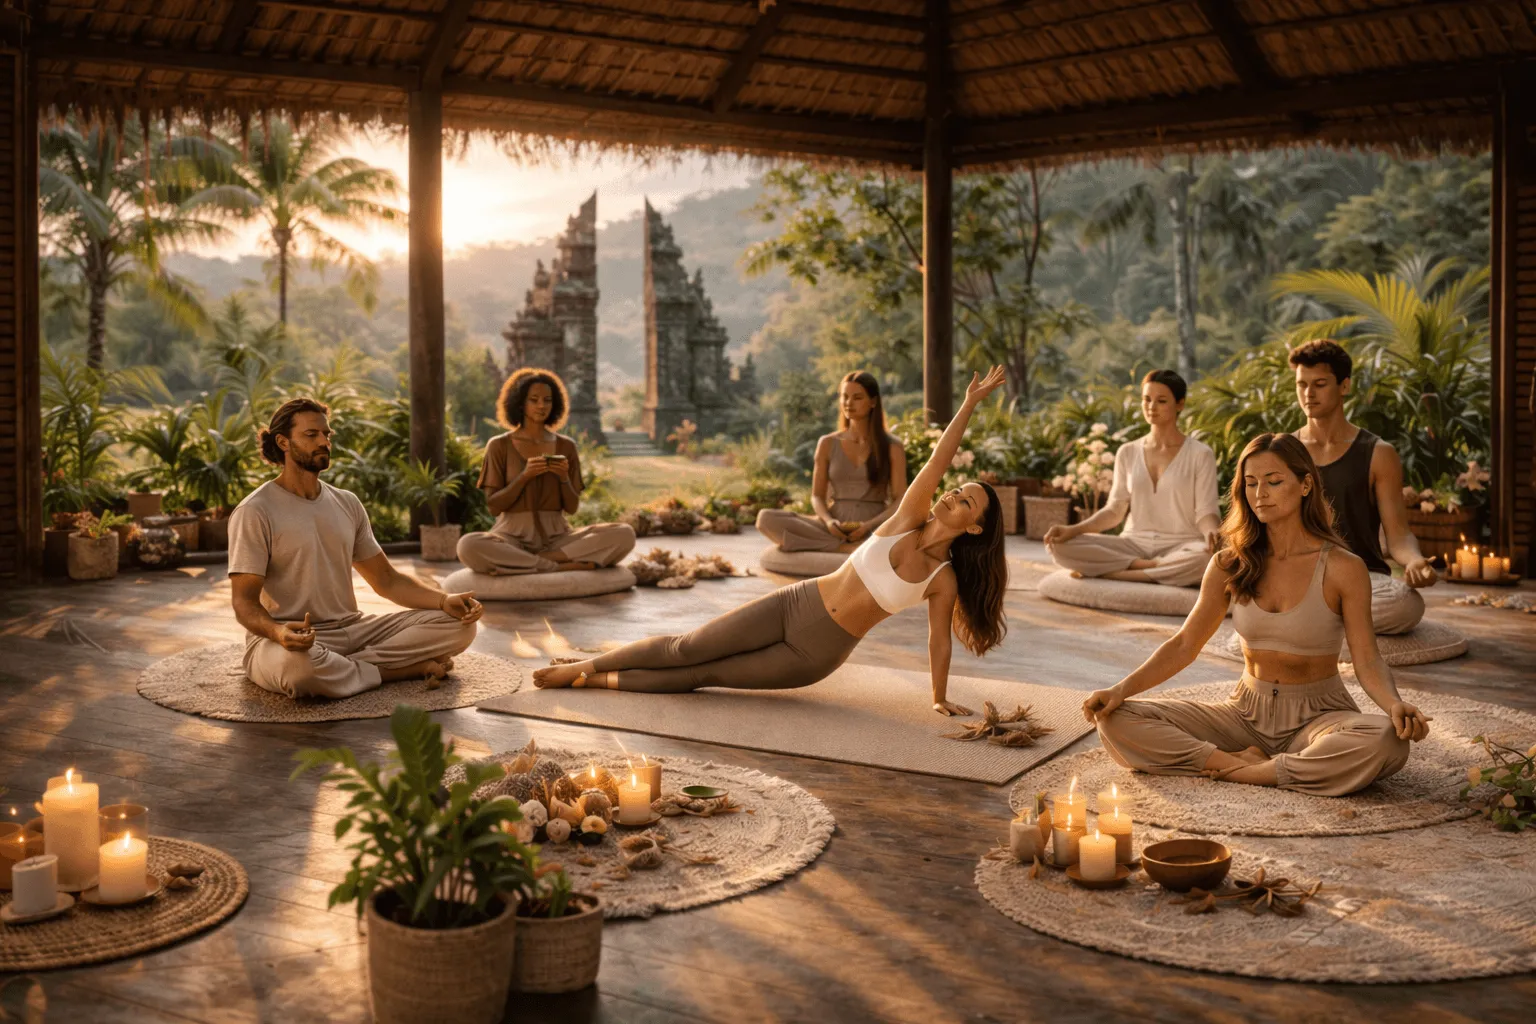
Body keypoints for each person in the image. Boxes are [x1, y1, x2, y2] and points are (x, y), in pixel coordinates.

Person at [533, 367, 1013, 716]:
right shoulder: (908, 517)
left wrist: (937, 698)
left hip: (816, 654)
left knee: (705, 676)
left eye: (968, 501)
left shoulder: (942, 579)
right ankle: (585, 665)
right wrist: (968, 404)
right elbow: (937, 461)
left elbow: (937, 641)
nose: (954, 494)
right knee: (687, 648)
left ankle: (588, 681)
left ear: (974, 528)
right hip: (797, 602)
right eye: (958, 488)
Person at [1081, 433, 1431, 797]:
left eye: (1274, 481)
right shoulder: (1229, 564)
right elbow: (1185, 643)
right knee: (1115, 719)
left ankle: (1255, 769)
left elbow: (1368, 659)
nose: (1260, 493)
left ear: (1305, 484)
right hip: (1244, 713)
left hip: (1319, 718)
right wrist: (1120, 690)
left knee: (1387, 741)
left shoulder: (1343, 568)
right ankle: (1240, 765)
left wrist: (1393, 705)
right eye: (1250, 483)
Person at [228, 398, 483, 700]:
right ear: (283, 442)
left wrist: (443, 600)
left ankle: (347, 669)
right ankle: (396, 670)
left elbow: (387, 581)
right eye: (312, 435)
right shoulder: (255, 511)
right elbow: (244, 602)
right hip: (289, 639)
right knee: (299, 672)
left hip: (354, 631)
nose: (324, 441)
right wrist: (277, 632)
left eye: (327, 434)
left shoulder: (346, 503)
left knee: (460, 626)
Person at [1289, 339, 1435, 633]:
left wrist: (1416, 561)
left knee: (1407, 605)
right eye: (1302, 384)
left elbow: (1399, 535)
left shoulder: (1379, 453)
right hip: (1300, 576)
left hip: (1362, 578)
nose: (1308, 393)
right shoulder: (1286, 451)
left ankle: (1307, 630)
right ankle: (1340, 627)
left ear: (1344, 386)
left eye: (1319, 384)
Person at [1044, 370, 1221, 587]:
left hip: (1181, 544)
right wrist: (1074, 529)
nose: (1151, 406)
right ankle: (1150, 568)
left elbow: (1206, 511)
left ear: (1180, 404)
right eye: (1146, 399)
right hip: (1133, 543)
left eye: (1161, 400)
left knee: (1206, 559)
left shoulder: (1200, 454)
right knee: (1058, 546)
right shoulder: (1127, 452)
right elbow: (1114, 511)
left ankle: (1119, 573)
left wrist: (1212, 531)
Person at [456, 368, 635, 575]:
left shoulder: (566, 447)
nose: (542, 406)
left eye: (547, 400)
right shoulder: (499, 446)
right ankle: (557, 566)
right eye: (534, 400)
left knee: (624, 534)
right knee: (468, 545)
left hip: (559, 540)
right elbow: (494, 507)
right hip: (510, 537)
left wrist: (563, 479)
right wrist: (524, 477)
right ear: (520, 403)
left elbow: (572, 507)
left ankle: (528, 564)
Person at [756, 371, 908, 553]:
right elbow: (817, 496)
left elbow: (900, 500)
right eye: (844, 397)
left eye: (857, 397)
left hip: (875, 526)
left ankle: (838, 546)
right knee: (765, 518)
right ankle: (845, 548)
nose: (848, 403)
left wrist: (868, 526)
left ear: (873, 402)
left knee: (906, 534)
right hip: (833, 526)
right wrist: (829, 521)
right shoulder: (828, 443)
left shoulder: (893, 446)